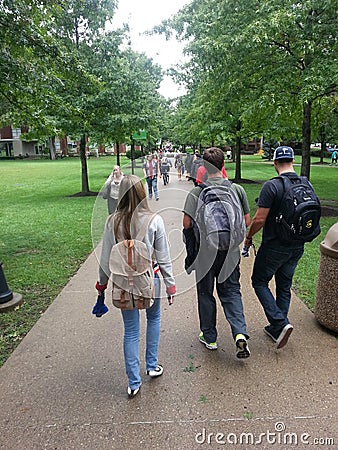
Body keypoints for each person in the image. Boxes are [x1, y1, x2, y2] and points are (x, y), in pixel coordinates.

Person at [96, 175, 176, 398]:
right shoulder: (154, 220)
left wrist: (101, 284)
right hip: (151, 279)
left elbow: (104, 259)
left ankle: (133, 381)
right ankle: (152, 365)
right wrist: (170, 285)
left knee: (130, 331)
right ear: (143, 193)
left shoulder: (112, 221)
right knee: (154, 318)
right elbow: (164, 256)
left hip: (123, 284)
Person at [183, 147, 251, 358]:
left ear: (203, 166)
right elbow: (246, 221)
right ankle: (239, 333)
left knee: (205, 293)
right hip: (230, 252)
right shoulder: (237, 190)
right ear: (223, 165)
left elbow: (186, 223)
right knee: (231, 292)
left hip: (205, 254)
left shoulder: (197, 192)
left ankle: (210, 337)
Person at [243, 146, 304, 349]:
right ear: (292, 161)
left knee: (259, 281)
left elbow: (260, 219)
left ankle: (280, 322)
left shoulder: (272, 186)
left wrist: (249, 236)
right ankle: (278, 328)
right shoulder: (305, 183)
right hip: (297, 246)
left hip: (275, 246)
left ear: (275, 163)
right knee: (284, 285)